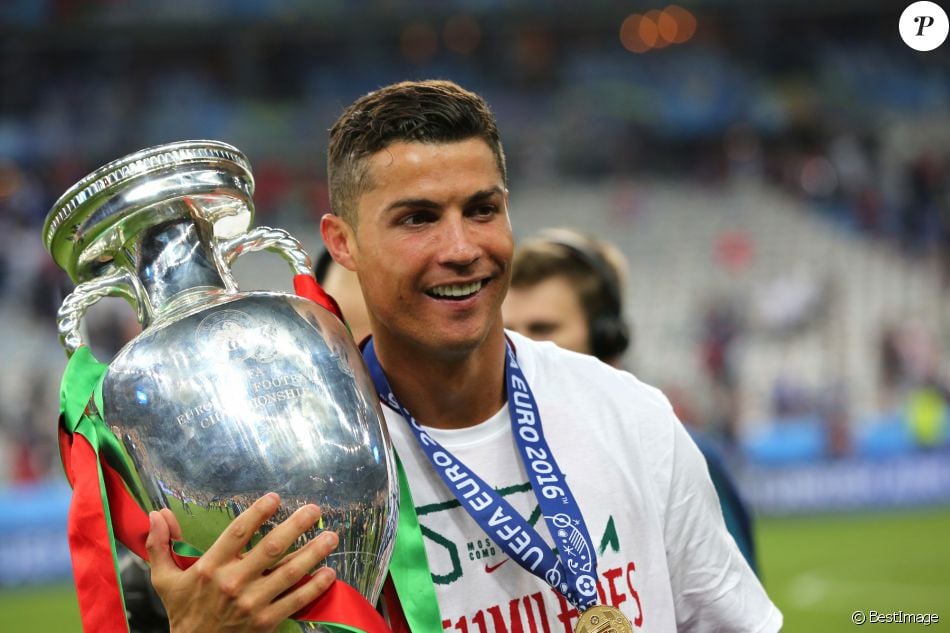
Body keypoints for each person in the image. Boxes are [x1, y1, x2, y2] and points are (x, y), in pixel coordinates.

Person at [148, 79, 781, 632]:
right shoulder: (301, 476)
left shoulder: (630, 415)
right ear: (343, 244)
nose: (461, 248)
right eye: (418, 218)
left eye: (482, 210)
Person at [502, 227, 760, 574]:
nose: (519, 348)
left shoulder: (672, 454)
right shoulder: (493, 458)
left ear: (607, 340)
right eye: (509, 331)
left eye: (542, 329)